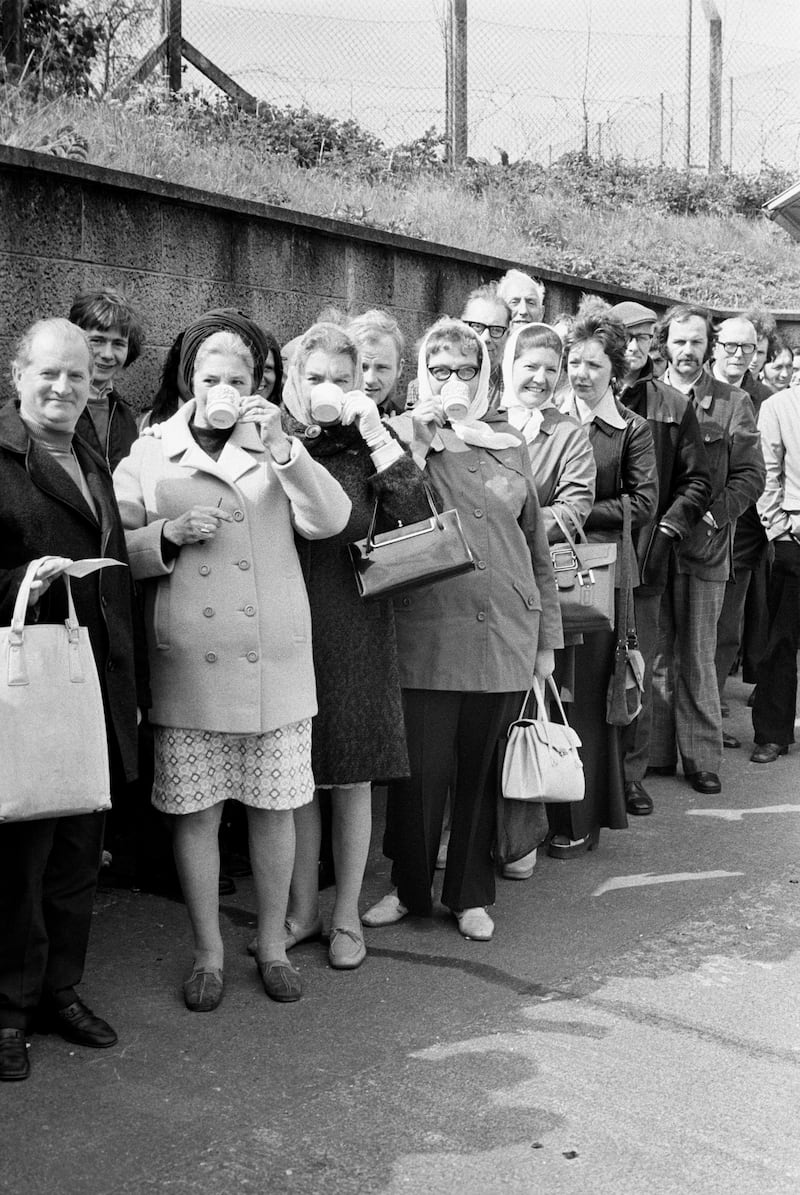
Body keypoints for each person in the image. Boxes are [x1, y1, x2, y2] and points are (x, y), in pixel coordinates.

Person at [113, 315, 352, 1010]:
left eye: (238, 378)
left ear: (257, 385)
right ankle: (210, 953)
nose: (223, 388)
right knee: (196, 812)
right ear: (189, 379)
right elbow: (114, 544)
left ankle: (273, 945)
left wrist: (284, 449)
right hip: (189, 658)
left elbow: (330, 519)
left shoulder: (277, 441)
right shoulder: (151, 450)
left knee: (275, 809)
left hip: (273, 658)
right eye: (211, 376)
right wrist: (167, 534)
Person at [363, 317, 563, 940]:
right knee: (420, 772)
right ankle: (408, 886)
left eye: (466, 369)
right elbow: (385, 518)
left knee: (481, 771)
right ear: (424, 372)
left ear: (484, 375)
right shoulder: (401, 435)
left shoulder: (508, 440)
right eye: (440, 368)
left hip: (505, 628)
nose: (452, 380)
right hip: (427, 630)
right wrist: (416, 448)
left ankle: (471, 892)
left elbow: (536, 547)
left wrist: (547, 641)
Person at [0, 319, 146, 1082]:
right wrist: (27, 580)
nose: (62, 388)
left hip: (93, 681)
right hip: (28, 690)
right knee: (19, 859)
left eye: (78, 377)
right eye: (48, 373)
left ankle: (61, 990)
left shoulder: (91, 452)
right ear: (18, 373)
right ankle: (9, 1009)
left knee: (77, 854)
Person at [280, 322, 433, 971]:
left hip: (357, 626)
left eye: (341, 379)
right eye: (316, 378)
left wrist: (374, 434)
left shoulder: (375, 441)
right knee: (298, 779)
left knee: (351, 779)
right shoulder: (279, 439)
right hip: (287, 625)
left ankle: (345, 914)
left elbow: (417, 514)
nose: (329, 390)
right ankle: (302, 909)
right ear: (295, 380)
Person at [547, 303, 658, 856]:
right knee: (547, 692)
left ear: (616, 371)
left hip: (602, 573)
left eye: (594, 364)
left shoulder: (630, 429)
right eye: (574, 360)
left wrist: (571, 506)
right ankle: (534, 810)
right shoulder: (541, 418)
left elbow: (643, 502)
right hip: (545, 563)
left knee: (589, 697)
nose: (582, 373)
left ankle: (580, 818)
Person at [650, 306, 764, 795]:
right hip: (654, 546)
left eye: (697, 341)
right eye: (680, 340)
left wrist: (715, 518)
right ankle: (653, 752)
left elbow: (751, 476)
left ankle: (700, 758)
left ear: (709, 346)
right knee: (655, 656)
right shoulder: (645, 396)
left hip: (706, 547)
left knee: (698, 655)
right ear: (665, 344)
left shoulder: (733, 402)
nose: (688, 350)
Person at [496, 320, 595, 878]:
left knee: (527, 712)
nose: (539, 377)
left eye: (550, 370)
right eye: (529, 366)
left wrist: (514, 527)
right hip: (474, 586)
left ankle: (520, 837)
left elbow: (575, 505)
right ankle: (458, 831)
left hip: (530, 584)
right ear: (507, 366)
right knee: (480, 715)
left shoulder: (567, 433)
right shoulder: (479, 423)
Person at [610, 300, 712, 816]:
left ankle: (629, 774)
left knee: (636, 666)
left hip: (646, 557)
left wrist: (669, 528)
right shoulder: (577, 393)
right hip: (583, 552)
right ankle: (581, 775)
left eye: (644, 337)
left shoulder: (673, 402)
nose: (634, 347)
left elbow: (698, 479)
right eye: (624, 337)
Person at [711, 314, 770, 726]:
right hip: (695, 526)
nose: (737, 355)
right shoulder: (693, 387)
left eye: (746, 348)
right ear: (716, 346)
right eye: (730, 346)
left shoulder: (763, 397)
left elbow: (759, 471)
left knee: (726, 629)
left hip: (743, 531)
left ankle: (711, 708)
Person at [751, 381, 800, 762]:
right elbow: (766, 473)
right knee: (781, 640)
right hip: (794, 537)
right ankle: (773, 732)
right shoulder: (780, 406)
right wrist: (779, 527)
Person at [68, 287, 144, 471]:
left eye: (118, 344)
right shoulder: (57, 405)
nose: (107, 354)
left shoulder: (125, 416)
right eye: (97, 340)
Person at [349, 309, 406, 415]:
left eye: (382, 368)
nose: (370, 379)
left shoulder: (408, 428)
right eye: (362, 367)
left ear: (399, 368)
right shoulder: (319, 425)